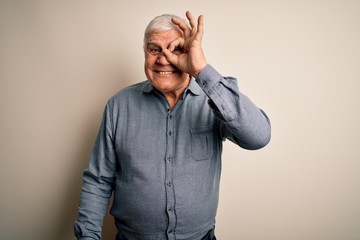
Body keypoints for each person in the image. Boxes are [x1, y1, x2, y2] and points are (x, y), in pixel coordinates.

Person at [74, 11, 271, 240]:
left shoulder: (214, 102)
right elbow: (98, 180)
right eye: (154, 49)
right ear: (145, 53)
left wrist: (200, 70)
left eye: (175, 49)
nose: (163, 59)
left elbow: (259, 136)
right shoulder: (118, 106)